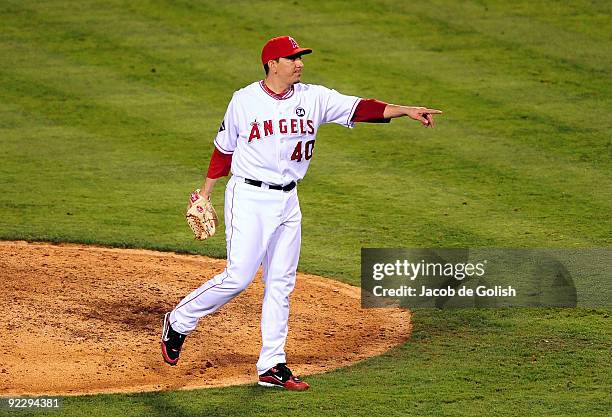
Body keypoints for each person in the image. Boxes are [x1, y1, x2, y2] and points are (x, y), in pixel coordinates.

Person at [161, 35, 442, 391]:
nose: (300, 63)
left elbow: (360, 108)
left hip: (288, 201)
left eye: (300, 57)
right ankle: (179, 320)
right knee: (239, 276)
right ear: (272, 64)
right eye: (292, 58)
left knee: (281, 283)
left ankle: (272, 365)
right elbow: (223, 151)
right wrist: (206, 193)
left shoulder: (314, 98)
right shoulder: (244, 101)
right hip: (248, 197)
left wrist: (405, 110)